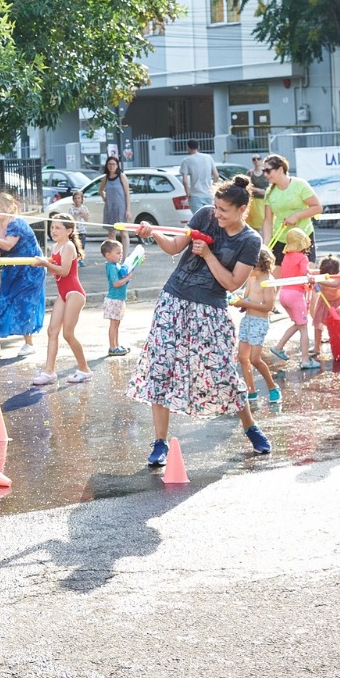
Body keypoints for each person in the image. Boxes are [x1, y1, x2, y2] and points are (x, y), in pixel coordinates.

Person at [126, 175, 272, 466]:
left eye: (223, 210)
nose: (216, 214)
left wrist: (207, 254)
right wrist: (152, 232)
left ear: (242, 209)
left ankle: (251, 427)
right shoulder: (204, 215)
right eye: (216, 207)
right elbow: (173, 247)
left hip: (210, 309)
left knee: (224, 371)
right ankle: (159, 443)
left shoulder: (249, 240)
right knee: (161, 368)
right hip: (173, 300)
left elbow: (232, 283)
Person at [0, 192, 44, 357]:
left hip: (30, 269)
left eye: (2, 207)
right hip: (12, 269)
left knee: (25, 304)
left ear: (10, 208)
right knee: (3, 302)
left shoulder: (17, 223)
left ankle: (29, 343)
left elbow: (8, 245)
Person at [33, 216, 89, 386]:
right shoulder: (55, 246)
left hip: (74, 293)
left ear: (69, 231)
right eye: (52, 228)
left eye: (58, 228)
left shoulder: (68, 246)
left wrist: (44, 263)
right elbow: (56, 273)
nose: (54, 231)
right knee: (52, 331)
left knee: (68, 334)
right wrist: (45, 263)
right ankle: (49, 372)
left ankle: (84, 369)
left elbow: (64, 272)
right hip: (63, 293)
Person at [232, 248, 281, 403]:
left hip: (259, 322)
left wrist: (247, 303)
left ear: (258, 265)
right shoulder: (251, 279)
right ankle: (251, 391)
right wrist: (239, 303)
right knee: (242, 357)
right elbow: (246, 299)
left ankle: (273, 387)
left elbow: (268, 307)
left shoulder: (268, 281)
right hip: (248, 320)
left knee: (254, 358)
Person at [259, 154, 323, 261]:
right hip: (280, 239)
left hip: (302, 238)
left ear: (280, 169)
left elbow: (317, 207)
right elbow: (268, 220)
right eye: (263, 171)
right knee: (278, 276)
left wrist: (297, 215)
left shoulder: (299, 184)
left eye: (268, 170)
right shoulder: (269, 192)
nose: (265, 174)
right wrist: (266, 244)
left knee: (303, 274)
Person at [269, 228, 313, 363]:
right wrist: (311, 278)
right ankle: (305, 360)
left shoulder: (286, 257)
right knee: (304, 327)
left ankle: (279, 346)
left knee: (298, 324)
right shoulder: (303, 258)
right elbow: (305, 273)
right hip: (295, 296)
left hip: (284, 294)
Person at [308, 255, 340, 367]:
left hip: (337, 303)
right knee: (318, 324)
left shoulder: (339, 281)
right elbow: (315, 288)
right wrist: (313, 285)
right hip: (324, 303)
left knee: (338, 326)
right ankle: (316, 346)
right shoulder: (320, 280)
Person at [100, 239, 132, 356]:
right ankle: (112, 347)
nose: (120, 255)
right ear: (108, 255)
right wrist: (127, 278)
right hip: (114, 299)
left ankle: (117, 345)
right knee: (113, 325)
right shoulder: (111, 267)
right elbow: (116, 283)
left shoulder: (116, 265)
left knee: (117, 324)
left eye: (121, 253)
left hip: (119, 299)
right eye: (118, 253)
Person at [178, 141, 219, 213]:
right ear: (198, 147)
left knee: (198, 219)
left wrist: (188, 194)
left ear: (188, 148)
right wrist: (212, 188)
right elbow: (216, 175)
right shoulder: (208, 157)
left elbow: (185, 181)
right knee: (209, 218)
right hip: (208, 194)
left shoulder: (186, 161)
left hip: (195, 195)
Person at [98, 155, 131, 234]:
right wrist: (104, 198)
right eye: (109, 164)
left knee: (123, 232)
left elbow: (127, 193)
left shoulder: (121, 176)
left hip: (120, 207)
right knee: (111, 231)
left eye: (113, 164)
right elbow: (101, 190)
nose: (111, 166)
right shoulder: (106, 178)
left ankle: (125, 247)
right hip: (110, 207)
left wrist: (128, 210)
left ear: (117, 165)